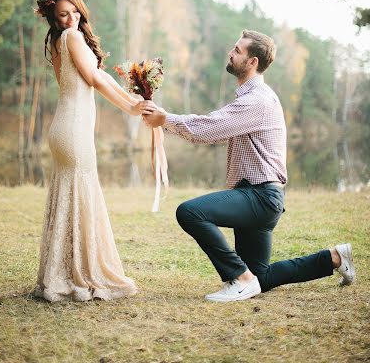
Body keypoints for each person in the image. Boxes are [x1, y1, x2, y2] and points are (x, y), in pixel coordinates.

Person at [141, 29, 355, 302]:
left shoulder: (257, 101)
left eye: (237, 50)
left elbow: (210, 128)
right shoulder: (251, 98)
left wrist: (166, 119)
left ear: (252, 62)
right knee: (261, 277)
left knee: (190, 212)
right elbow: (216, 130)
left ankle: (239, 279)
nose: (231, 52)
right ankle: (335, 258)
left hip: (260, 196)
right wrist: (164, 120)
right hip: (258, 196)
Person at [34, 0, 145, 302]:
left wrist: (131, 105)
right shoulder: (71, 38)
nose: (71, 19)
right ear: (55, 19)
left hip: (63, 128)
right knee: (81, 198)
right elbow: (96, 79)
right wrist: (132, 107)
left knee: (69, 198)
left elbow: (95, 78)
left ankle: (60, 273)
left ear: (81, 9)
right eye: (63, 15)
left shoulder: (59, 42)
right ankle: (81, 274)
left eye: (75, 12)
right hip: (72, 130)